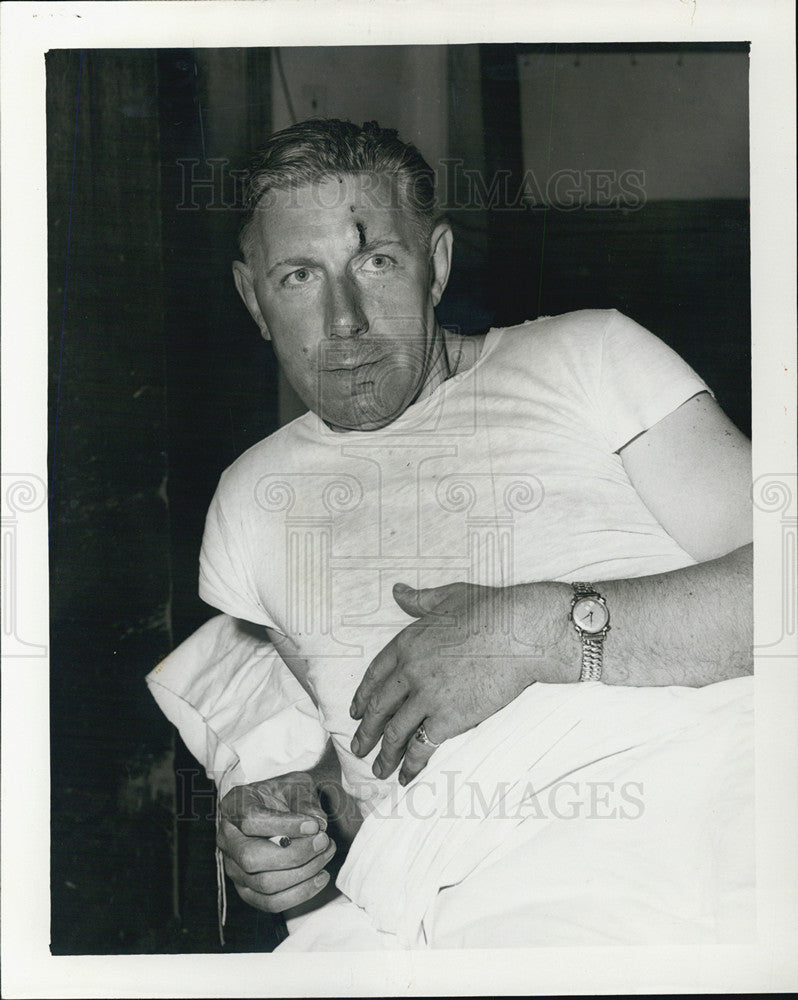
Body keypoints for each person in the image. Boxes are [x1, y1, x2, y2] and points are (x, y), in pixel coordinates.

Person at [147, 118, 753, 949]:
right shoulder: (251, 502)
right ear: (255, 298)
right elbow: (361, 764)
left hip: (716, 819)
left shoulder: (588, 356)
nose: (346, 319)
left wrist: (536, 633)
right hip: (489, 906)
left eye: (376, 261)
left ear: (435, 264)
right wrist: (298, 823)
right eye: (299, 276)